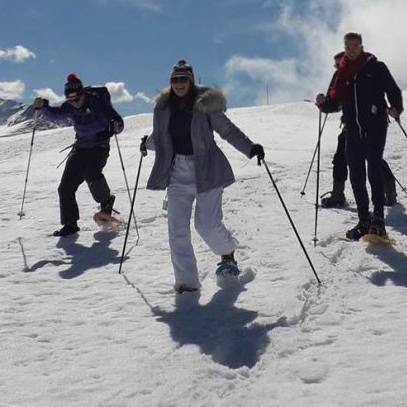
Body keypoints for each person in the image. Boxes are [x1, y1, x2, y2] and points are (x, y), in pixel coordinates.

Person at [142, 60, 265, 294]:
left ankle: (227, 253)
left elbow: (227, 130)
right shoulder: (163, 107)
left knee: (206, 225)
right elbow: (162, 136)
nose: (179, 84)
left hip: (207, 169)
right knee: (177, 229)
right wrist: (147, 143)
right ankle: (187, 282)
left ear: (190, 80)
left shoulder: (205, 104)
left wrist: (250, 148)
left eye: (183, 79)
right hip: (177, 171)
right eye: (175, 80)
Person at [316, 32, 402, 240]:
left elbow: (393, 90)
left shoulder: (375, 67)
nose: (351, 50)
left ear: (361, 46)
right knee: (356, 174)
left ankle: (378, 220)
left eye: (355, 46)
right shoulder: (341, 73)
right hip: (352, 129)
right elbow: (334, 103)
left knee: (373, 167)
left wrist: (396, 108)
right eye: (348, 47)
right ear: (344, 48)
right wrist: (322, 103)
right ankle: (364, 220)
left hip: (376, 125)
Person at [33, 73, 124, 237]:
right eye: (70, 100)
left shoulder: (97, 103)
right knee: (65, 187)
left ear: (82, 94)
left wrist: (116, 126)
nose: (74, 103)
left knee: (92, 174)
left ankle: (106, 201)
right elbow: (56, 114)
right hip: (80, 148)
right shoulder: (69, 105)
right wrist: (43, 106)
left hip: (100, 146)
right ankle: (70, 224)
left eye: (76, 99)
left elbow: (116, 119)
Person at [320, 116, 398, 208]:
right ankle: (337, 194)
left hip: (370, 118)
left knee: (372, 157)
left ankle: (390, 193)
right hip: (353, 118)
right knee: (343, 148)